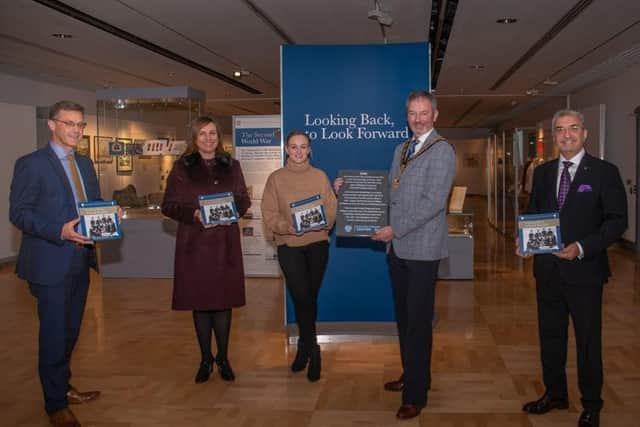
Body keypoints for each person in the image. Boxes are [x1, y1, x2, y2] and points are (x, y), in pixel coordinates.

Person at [516, 109, 627, 427]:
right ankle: (555, 394)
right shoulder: (544, 172)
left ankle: (592, 404)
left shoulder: (605, 172)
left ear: (585, 133)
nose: (567, 134)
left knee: (588, 340)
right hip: (547, 270)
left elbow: (618, 220)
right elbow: (535, 211)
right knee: (550, 336)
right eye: (560, 130)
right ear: (553, 136)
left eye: (573, 128)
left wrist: (581, 247)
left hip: (585, 272)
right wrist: (525, 242)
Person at [351, 90, 455, 419]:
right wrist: (351, 191)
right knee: (405, 318)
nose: (418, 118)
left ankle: (416, 394)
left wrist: (395, 229)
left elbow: (433, 203)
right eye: (412, 113)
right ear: (406, 115)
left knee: (419, 323)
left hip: (422, 250)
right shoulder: (402, 148)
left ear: (435, 115)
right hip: (398, 249)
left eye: (424, 113)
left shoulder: (443, 151)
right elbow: (392, 194)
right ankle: (412, 375)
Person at [9, 101, 103, 427]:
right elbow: (19, 213)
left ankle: (62, 387)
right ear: (52, 125)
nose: (76, 130)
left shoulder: (86, 164)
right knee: (53, 334)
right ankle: (54, 404)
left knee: (71, 331)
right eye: (69, 123)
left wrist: (108, 215)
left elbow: (91, 206)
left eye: (80, 124)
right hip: (50, 262)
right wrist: (59, 231)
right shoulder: (31, 164)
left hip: (81, 260)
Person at [161, 116, 250, 384]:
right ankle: (204, 359)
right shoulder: (181, 167)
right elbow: (169, 205)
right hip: (194, 245)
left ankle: (223, 358)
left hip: (225, 245)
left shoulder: (232, 165)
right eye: (203, 133)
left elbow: (243, 199)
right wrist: (194, 214)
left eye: (213, 133)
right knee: (199, 304)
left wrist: (233, 210)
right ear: (194, 138)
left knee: (223, 304)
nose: (208, 138)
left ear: (219, 136)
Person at [261, 131, 337, 382]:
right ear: (286, 149)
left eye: (303, 147)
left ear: (310, 150)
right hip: (289, 246)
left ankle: (304, 348)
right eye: (293, 147)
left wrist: (324, 221)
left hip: (317, 245)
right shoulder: (275, 179)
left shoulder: (319, 176)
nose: (298, 151)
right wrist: (286, 227)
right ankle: (314, 350)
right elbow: (269, 213)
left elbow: (330, 207)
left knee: (309, 298)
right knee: (302, 296)